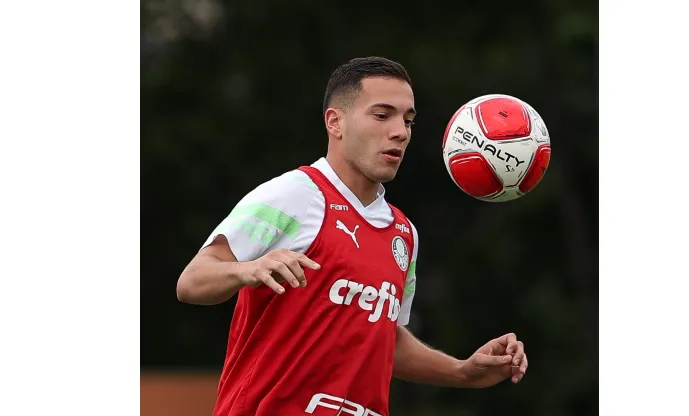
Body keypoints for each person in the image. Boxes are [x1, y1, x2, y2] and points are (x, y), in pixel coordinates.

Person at [177, 56, 528, 416]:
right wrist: (248, 269)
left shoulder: (403, 233)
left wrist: (463, 371)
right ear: (335, 122)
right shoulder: (294, 195)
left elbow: (383, 338)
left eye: (408, 120)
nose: (400, 132)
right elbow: (191, 281)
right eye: (382, 115)